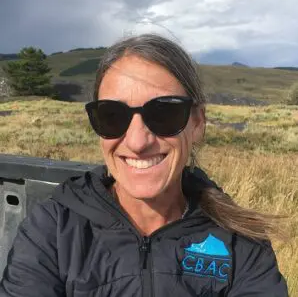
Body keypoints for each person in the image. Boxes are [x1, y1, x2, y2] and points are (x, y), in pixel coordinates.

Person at [0, 34, 288, 296]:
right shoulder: (54, 229)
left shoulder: (240, 244)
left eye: (164, 113)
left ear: (198, 122)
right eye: (112, 115)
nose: (138, 142)